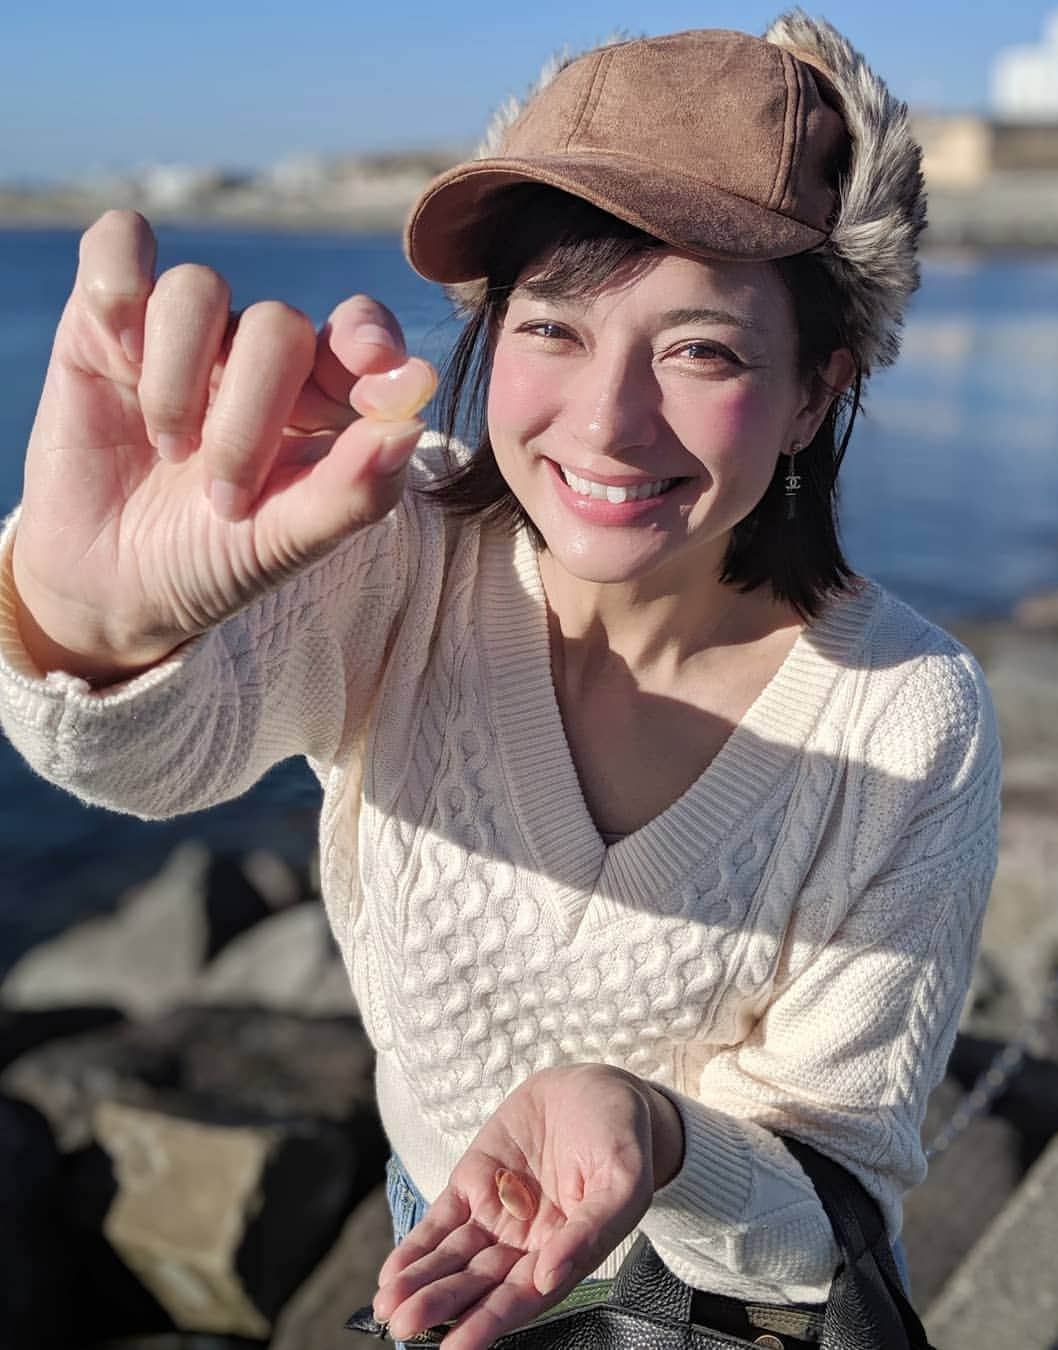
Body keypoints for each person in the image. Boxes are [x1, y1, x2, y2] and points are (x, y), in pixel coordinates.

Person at [0, 12, 999, 1350]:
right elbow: (149, 756)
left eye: (699, 347)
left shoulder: (911, 712)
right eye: (554, 328)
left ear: (818, 390)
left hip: (715, 1313)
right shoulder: (397, 551)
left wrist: (651, 1134)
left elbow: (835, 1203)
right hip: (444, 1249)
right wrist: (87, 624)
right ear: (491, 332)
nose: (605, 421)